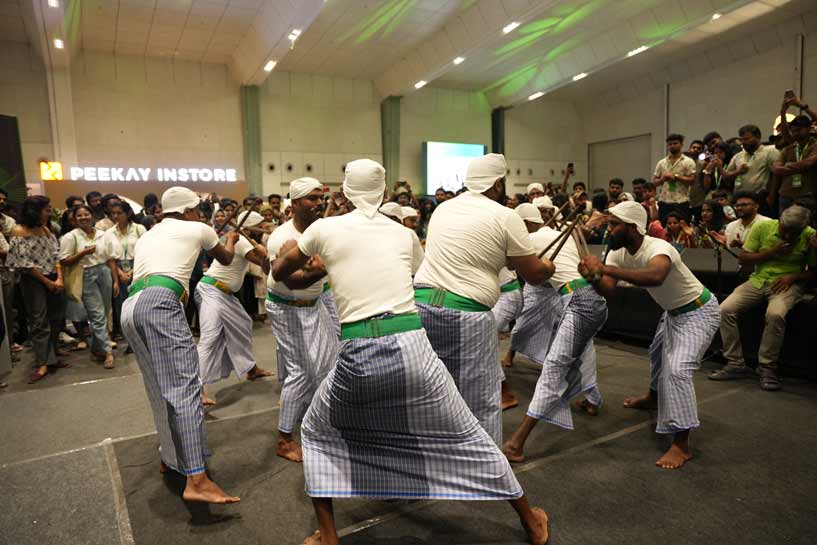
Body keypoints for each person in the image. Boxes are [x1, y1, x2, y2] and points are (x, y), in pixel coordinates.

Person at [271, 158, 550, 545]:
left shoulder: (321, 229)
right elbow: (416, 274)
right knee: (471, 434)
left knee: (316, 431)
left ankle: (329, 535)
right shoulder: (403, 234)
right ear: (384, 193)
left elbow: (280, 273)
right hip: (414, 345)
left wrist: (306, 259)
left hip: (358, 352)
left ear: (345, 193)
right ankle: (530, 520)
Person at [414, 153, 555, 446]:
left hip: (423, 304)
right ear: (498, 183)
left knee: (433, 384)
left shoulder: (443, 209)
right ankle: (485, 468)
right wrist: (548, 267)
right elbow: (535, 275)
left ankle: (435, 450)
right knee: (483, 394)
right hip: (465, 312)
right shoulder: (506, 216)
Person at [579, 201, 721, 469]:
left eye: (614, 224)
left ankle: (681, 444)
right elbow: (609, 290)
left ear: (632, 227)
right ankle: (653, 398)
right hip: (672, 313)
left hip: (699, 311)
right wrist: (593, 277)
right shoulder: (618, 252)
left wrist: (605, 269)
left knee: (677, 370)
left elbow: (656, 276)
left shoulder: (659, 247)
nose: (608, 231)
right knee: (657, 356)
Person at [121, 186, 240, 504]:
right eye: (197, 210)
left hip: (131, 306)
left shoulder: (149, 233)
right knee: (186, 391)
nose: (200, 215)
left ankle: (171, 457)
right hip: (161, 302)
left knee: (159, 388)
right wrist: (230, 238)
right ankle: (197, 480)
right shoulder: (199, 228)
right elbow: (226, 258)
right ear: (189, 211)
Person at [503, 206, 608, 463]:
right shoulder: (556, 234)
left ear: (527, 224)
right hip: (588, 298)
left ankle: (517, 442)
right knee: (584, 350)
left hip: (580, 300)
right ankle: (593, 399)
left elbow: (513, 266)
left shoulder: (532, 240)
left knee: (553, 369)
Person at [266, 177, 339, 463]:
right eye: (311, 198)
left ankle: (317, 419)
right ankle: (284, 439)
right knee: (301, 372)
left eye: (320, 198)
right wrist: (322, 268)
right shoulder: (282, 238)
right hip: (288, 307)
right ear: (294, 203)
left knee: (330, 361)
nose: (318, 203)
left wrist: (320, 269)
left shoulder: (321, 230)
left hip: (314, 303)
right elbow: (293, 282)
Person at [709, 205, 816, 390]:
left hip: (787, 283)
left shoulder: (810, 235)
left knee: (775, 315)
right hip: (758, 280)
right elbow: (744, 259)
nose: (789, 236)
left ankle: (767, 367)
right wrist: (773, 252)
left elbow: (814, 272)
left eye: (794, 233)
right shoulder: (763, 227)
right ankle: (735, 363)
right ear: (780, 222)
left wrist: (793, 277)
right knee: (724, 309)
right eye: (785, 230)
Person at [195, 210, 272, 404]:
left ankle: (251, 370)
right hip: (211, 290)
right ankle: (198, 388)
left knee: (243, 324)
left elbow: (266, 268)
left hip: (225, 295)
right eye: (260, 226)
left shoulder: (245, 241)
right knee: (210, 337)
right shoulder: (242, 241)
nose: (263, 229)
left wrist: (264, 256)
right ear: (250, 228)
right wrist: (263, 256)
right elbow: (263, 265)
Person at [7, 196, 65, 384]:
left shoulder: (46, 230)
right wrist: (47, 282)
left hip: (52, 278)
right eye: (46, 209)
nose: (50, 212)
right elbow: (25, 263)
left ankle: (52, 356)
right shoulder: (19, 231)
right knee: (39, 321)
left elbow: (56, 254)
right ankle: (42, 362)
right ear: (35, 211)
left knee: (56, 317)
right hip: (33, 281)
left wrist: (59, 277)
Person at [60, 204, 116, 369]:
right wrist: (83, 253)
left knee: (105, 313)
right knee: (97, 315)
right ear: (74, 219)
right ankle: (107, 352)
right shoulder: (70, 237)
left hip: (104, 272)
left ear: (91, 216)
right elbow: (63, 260)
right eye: (79, 215)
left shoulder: (103, 234)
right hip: (85, 274)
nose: (83, 218)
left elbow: (111, 257)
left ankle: (96, 348)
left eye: (86, 214)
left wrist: (115, 279)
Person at [103, 201, 146, 346]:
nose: (116, 216)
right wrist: (120, 275)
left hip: (138, 268)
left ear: (128, 213)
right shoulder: (109, 233)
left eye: (119, 213)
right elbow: (110, 258)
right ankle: (130, 341)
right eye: (113, 213)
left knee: (139, 305)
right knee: (122, 307)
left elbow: (145, 253)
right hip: (118, 270)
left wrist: (133, 271)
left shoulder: (139, 229)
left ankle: (141, 338)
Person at [721, 125, 780, 209]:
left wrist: (772, 196)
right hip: (739, 198)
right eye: (741, 139)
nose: (743, 142)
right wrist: (737, 172)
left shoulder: (769, 151)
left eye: (747, 139)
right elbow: (726, 177)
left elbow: (776, 174)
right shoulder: (738, 156)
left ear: (758, 137)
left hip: (760, 197)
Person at [772, 114, 817, 214]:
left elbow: (809, 163)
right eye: (793, 131)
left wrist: (788, 165)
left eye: (799, 130)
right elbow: (776, 168)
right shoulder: (788, 148)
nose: (795, 133)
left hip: (807, 194)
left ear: (809, 129)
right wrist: (798, 166)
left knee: (805, 225)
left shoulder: (815, 145)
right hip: (786, 194)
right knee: (784, 224)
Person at [653, 134, 696, 223]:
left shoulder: (688, 161)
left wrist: (676, 177)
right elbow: (654, 182)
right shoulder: (661, 163)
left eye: (675, 143)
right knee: (664, 229)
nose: (672, 146)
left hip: (681, 202)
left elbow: (692, 181)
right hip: (664, 201)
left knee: (683, 229)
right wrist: (663, 179)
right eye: (670, 144)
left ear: (681, 144)